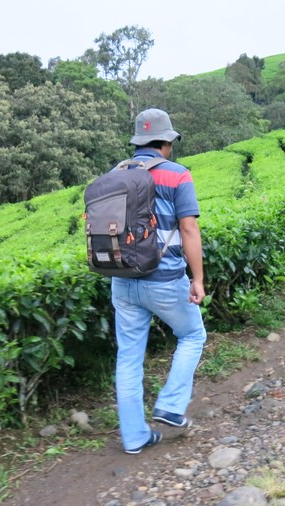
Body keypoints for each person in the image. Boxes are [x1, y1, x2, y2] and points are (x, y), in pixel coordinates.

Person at [111, 108, 207, 454]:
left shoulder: (115, 173)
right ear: (167, 142)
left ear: (138, 142)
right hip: (164, 279)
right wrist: (197, 278)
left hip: (121, 280)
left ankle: (134, 437)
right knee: (193, 334)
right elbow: (188, 228)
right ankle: (170, 404)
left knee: (129, 357)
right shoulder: (177, 175)